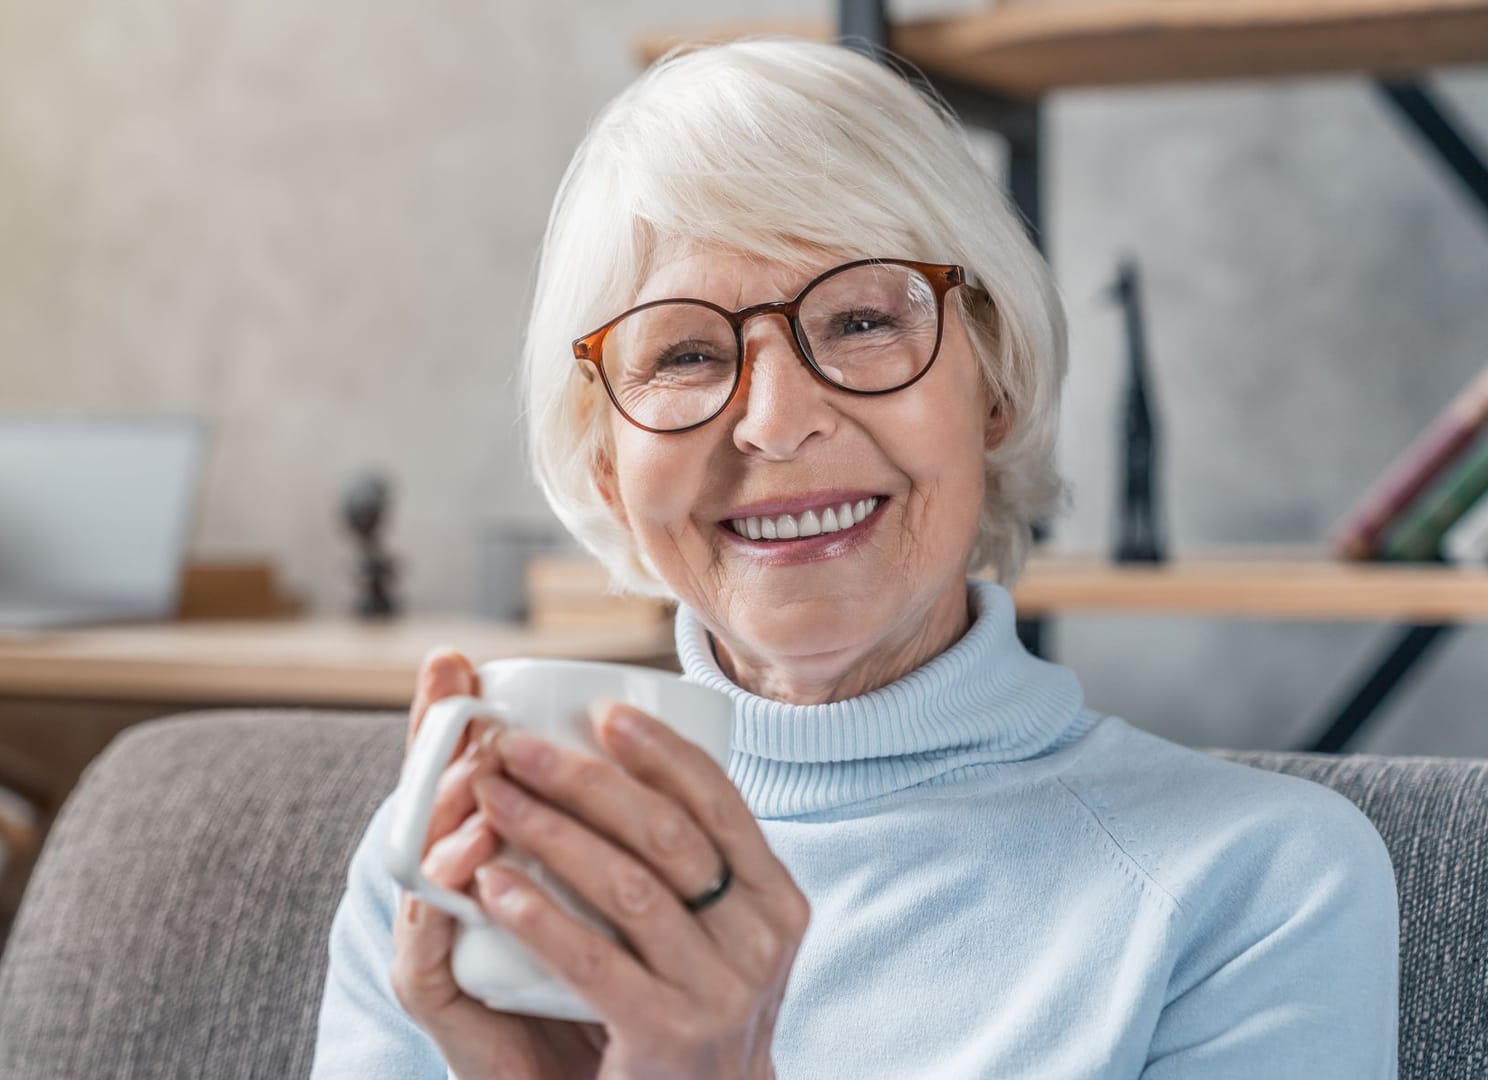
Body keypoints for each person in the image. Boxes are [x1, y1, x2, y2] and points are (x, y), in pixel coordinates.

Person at [312, 37, 1399, 1079]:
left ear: (996, 385)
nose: (777, 422)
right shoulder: (451, 863)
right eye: (687, 352)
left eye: (863, 320)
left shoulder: (1265, 885)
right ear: (606, 465)